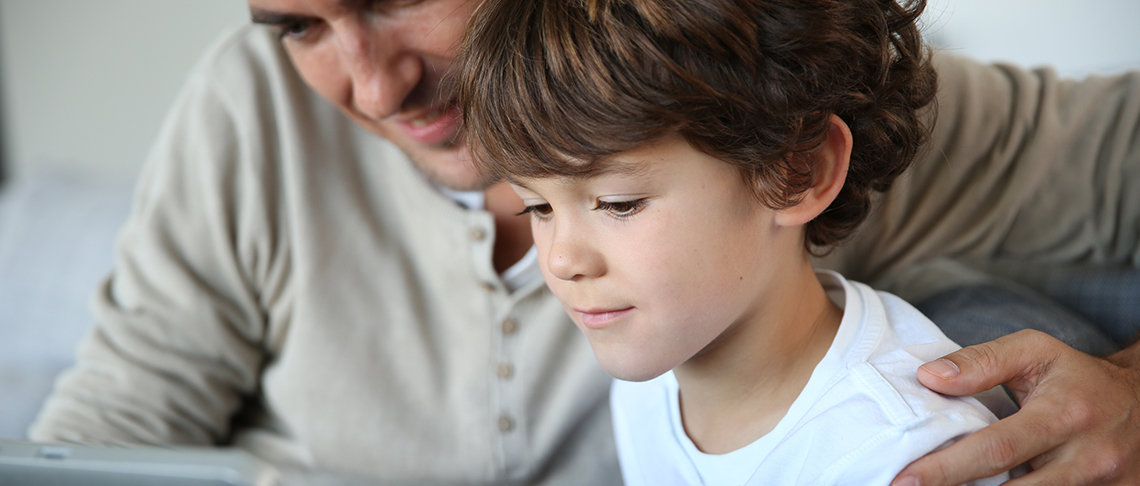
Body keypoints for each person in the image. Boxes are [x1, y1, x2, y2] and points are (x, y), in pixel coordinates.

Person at [26, 0, 1140, 484]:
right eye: (303, 27)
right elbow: (117, 428)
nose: (371, 84)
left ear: (799, 172)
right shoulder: (253, 111)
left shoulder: (752, 79)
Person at [454, 0, 1013, 483]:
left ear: (798, 173)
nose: (561, 259)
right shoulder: (650, 380)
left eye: (620, 203)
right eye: (539, 207)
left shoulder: (902, 454)